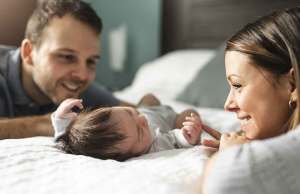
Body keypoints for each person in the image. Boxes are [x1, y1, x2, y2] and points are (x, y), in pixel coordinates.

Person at [199, 7, 300, 194]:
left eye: (237, 85)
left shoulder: (239, 167)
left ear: (292, 84)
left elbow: (228, 180)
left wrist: (229, 157)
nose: (227, 105)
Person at [0, 0, 132, 139]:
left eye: (91, 61)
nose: (82, 75)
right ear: (29, 53)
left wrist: (148, 105)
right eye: (67, 57)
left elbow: (137, 110)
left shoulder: (78, 89)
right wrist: (43, 125)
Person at [51, 94, 202, 161]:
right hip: (171, 119)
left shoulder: (139, 118)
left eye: (130, 112)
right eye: (140, 131)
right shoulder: (154, 146)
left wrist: (62, 122)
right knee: (190, 114)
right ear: (129, 155)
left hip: (150, 108)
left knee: (149, 97)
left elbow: (65, 142)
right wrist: (186, 136)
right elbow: (173, 139)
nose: (142, 119)